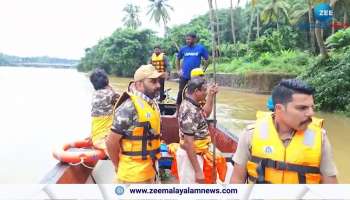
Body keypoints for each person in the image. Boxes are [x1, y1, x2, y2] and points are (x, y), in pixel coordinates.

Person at [230, 79, 338, 184]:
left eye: (311, 107)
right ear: (279, 109)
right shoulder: (250, 134)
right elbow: (237, 180)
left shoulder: (319, 138)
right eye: (302, 108)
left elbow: (331, 189)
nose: (311, 113)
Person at [105, 64, 165, 184]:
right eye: (153, 81)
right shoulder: (129, 107)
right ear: (139, 84)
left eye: (158, 81)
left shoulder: (151, 104)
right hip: (133, 177)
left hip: (149, 171)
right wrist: (118, 166)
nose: (158, 85)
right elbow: (111, 143)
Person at [175, 77, 227, 184]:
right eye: (204, 90)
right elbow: (189, 143)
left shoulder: (193, 104)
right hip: (192, 156)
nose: (206, 93)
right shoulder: (188, 110)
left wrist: (211, 96)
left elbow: (206, 113)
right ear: (196, 91)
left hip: (200, 152)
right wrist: (198, 171)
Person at [176, 33, 209, 110]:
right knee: (181, 92)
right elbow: (177, 59)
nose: (187, 41)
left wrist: (203, 69)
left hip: (196, 76)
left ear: (194, 39)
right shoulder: (183, 49)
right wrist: (178, 70)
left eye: (189, 39)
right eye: (186, 39)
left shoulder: (200, 48)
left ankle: (201, 110)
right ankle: (178, 111)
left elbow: (208, 59)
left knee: (198, 92)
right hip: (185, 75)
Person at [89, 68, 119, 150]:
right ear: (106, 80)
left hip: (96, 137)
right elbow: (122, 103)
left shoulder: (95, 95)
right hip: (105, 139)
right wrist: (111, 88)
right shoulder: (111, 94)